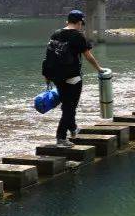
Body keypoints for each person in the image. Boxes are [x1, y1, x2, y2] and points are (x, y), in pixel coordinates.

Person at [43, 10, 103, 147]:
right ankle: (61, 138)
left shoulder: (55, 34)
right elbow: (88, 56)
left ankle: (73, 128)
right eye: (82, 23)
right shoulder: (78, 36)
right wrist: (99, 69)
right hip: (72, 77)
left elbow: (48, 57)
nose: (82, 25)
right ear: (79, 22)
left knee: (67, 105)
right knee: (70, 108)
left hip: (57, 77)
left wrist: (47, 76)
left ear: (68, 21)